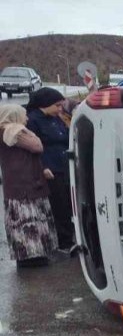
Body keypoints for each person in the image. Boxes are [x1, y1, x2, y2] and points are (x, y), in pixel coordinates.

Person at [0, 104, 58, 267]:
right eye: (24, 115)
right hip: (24, 184)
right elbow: (37, 146)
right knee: (28, 220)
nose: (27, 119)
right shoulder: (13, 131)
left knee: (25, 220)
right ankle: (33, 256)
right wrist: (33, 135)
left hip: (22, 183)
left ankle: (30, 256)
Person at [26, 88, 74, 250]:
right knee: (59, 206)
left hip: (65, 166)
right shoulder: (33, 121)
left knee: (69, 203)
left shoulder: (56, 119)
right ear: (45, 104)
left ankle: (72, 236)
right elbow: (32, 149)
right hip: (51, 169)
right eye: (57, 105)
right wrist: (43, 167)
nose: (60, 109)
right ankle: (64, 241)